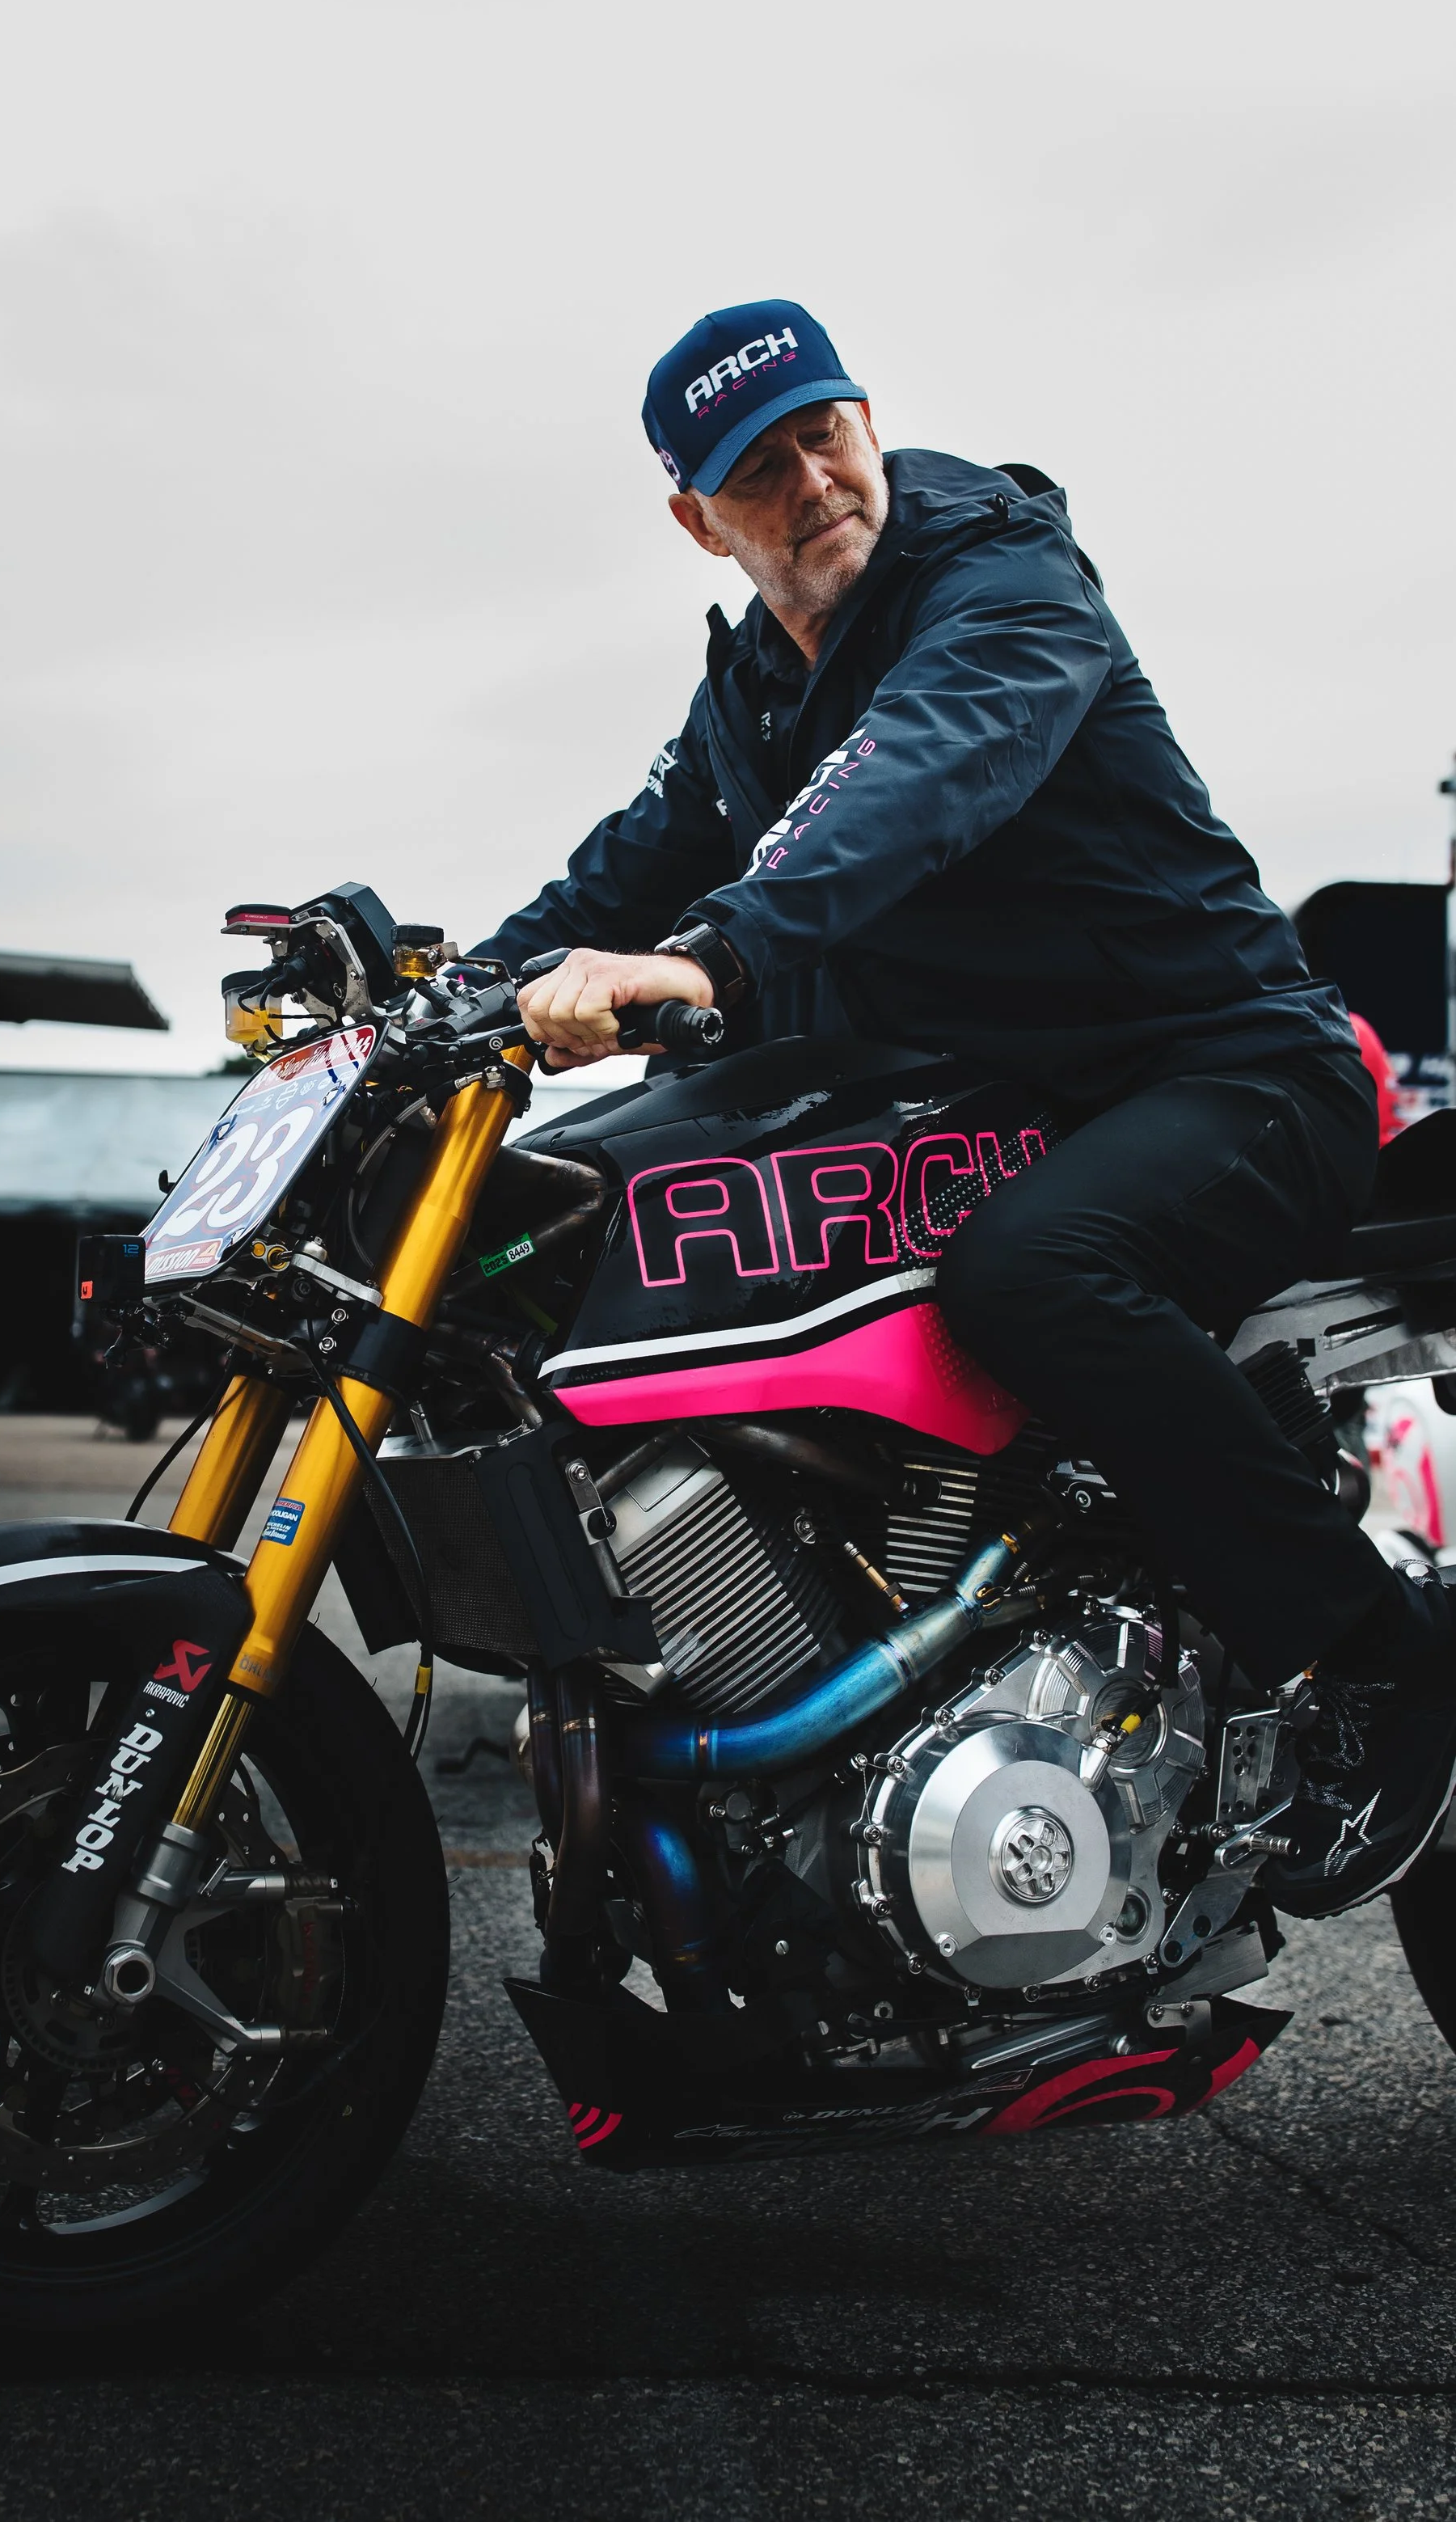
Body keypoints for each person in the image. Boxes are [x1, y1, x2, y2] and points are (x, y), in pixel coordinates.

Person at [482, 297, 1454, 1917]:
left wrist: (706, 952)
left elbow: (922, 771)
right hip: (1015, 1116)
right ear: (695, 519)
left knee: (1030, 1277)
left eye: (821, 432)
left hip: (1227, 1070)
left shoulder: (999, 584)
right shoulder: (748, 698)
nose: (810, 479)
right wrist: (437, 997)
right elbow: (612, 873)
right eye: (757, 469)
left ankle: (1373, 1656)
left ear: (865, 418)